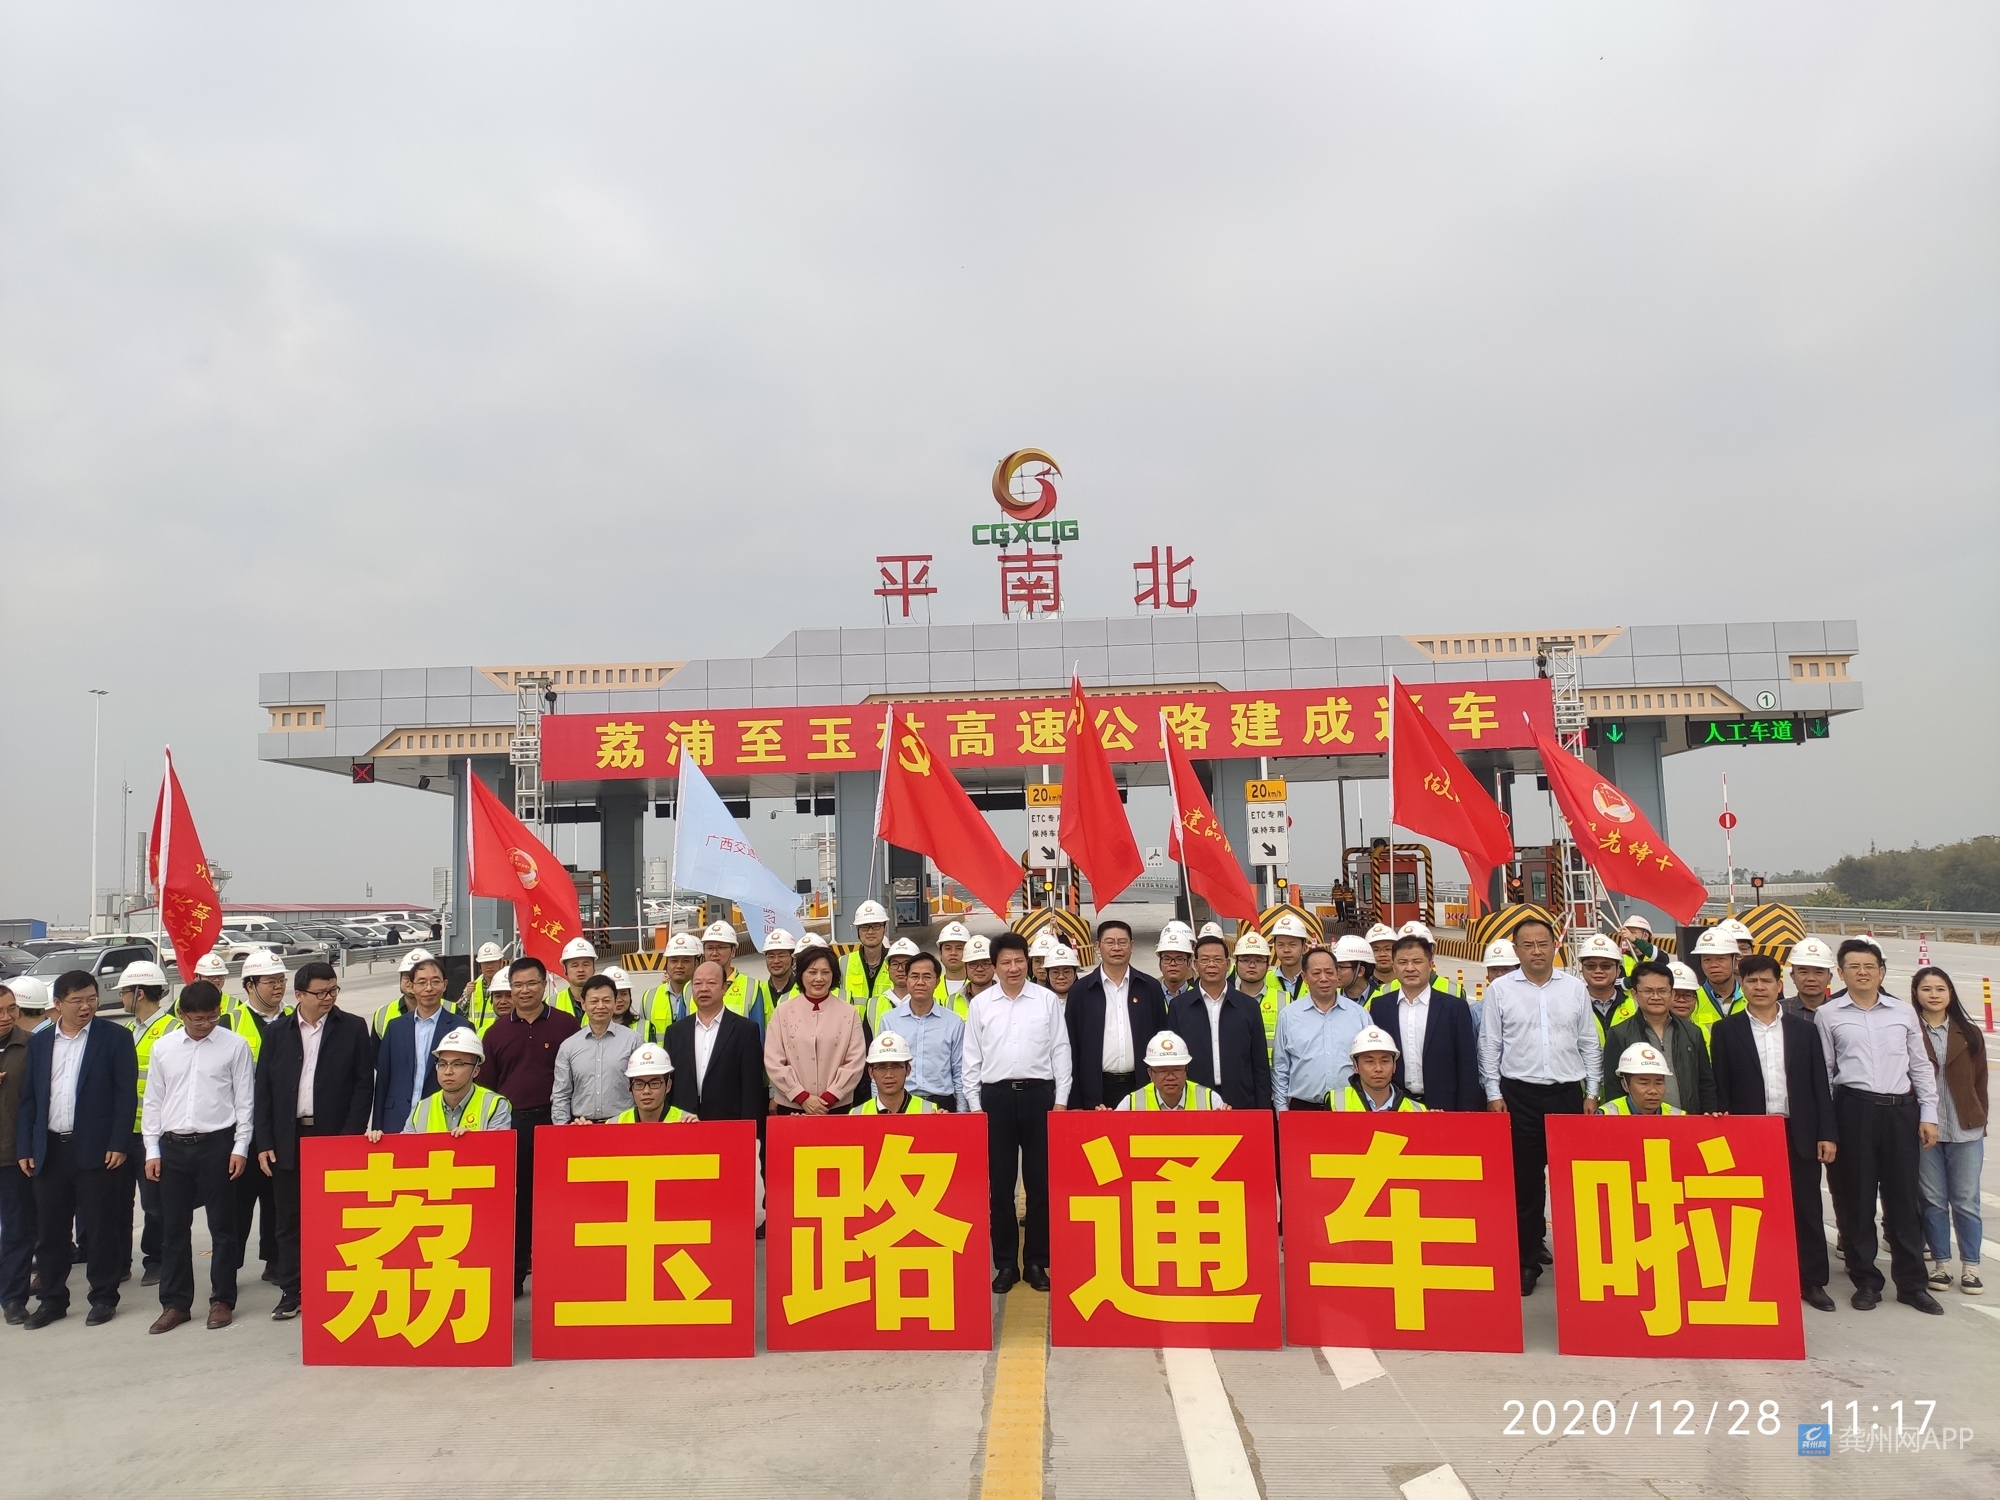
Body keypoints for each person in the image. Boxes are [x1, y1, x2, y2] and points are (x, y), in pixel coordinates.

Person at [1816, 938, 1942, 1314]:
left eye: (1870, 966)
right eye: (1854, 966)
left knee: (1903, 1200)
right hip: (1853, 1110)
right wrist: (1828, 1128)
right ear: (1841, 973)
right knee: (1856, 1201)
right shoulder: (1829, 1014)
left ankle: (1912, 1285)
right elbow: (1825, 1073)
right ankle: (1866, 1281)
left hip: (1900, 1112)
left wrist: (1929, 1114)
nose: (1863, 972)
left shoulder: (1903, 1012)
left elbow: (1920, 1065)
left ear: (1882, 972)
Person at [1478, 916, 1601, 1295]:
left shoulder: (1574, 988)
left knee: (1572, 1185)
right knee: (1526, 1186)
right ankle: (1527, 1262)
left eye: (1543, 943)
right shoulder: (1501, 990)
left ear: (1554, 947)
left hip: (1567, 1096)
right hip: (1519, 1096)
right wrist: (1493, 1093)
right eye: (1528, 945)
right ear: (1517, 950)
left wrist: (1592, 1091)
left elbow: (1588, 1041)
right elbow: (1490, 1044)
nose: (1536, 951)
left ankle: (1584, 1265)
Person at [1711, 952, 1840, 1311]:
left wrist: (1826, 1133)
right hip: (1750, 1134)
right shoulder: (1726, 1031)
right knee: (1753, 1210)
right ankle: (1760, 1277)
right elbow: (1720, 1086)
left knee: (1806, 1208)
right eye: (1751, 981)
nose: (1759, 987)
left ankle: (1812, 1281)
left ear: (1779, 985)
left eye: (1766, 981)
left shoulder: (1804, 1031)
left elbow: (1820, 1085)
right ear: (1742, 985)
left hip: (1796, 1131)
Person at [15, 972, 138, 1328]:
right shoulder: (40, 1043)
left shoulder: (114, 1038)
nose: (86, 1007)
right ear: (57, 1004)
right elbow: (30, 1099)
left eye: (91, 999)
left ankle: (103, 1297)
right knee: (51, 1232)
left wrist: (118, 1142)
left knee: (99, 1228)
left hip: (97, 1150)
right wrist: (27, 1145)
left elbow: (125, 1095)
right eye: (77, 1001)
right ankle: (52, 1300)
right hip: (50, 1149)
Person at [252, 961, 374, 1320]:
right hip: (288, 1137)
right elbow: (264, 1090)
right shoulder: (278, 1033)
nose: (328, 998)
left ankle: (332, 1288)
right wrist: (265, 1141)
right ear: (299, 995)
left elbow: (363, 1086)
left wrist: (348, 1138)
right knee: (288, 1219)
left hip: (333, 1136)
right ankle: (291, 1290)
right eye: (320, 993)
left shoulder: (352, 1028)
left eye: (333, 990)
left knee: (334, 1217)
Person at [139, 980, 253, 1333]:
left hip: (217, 1144)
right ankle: (175, 1304)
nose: (206, 1024)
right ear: (182, 1014)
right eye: (198, 1019)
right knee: (173, 1229)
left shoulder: (234, 1046)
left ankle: (222, 1300)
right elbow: (153, 1101)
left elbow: (245, 1101)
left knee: (223, 1227)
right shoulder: (164, 1048)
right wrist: (152, 1149)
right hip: (172, 1147)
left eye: (212, 1017)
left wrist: (240, 1147)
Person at [963, 931, 1070, 1293]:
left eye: (1019, 961)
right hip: (996, 1099)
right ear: (994, 967)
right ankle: (1006, 1263)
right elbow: (971, 1059)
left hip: (1040, 1096)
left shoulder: (1046, 1000)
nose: (1013, 968)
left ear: (1028, 962)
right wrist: (976, 1107)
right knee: (1001, 1186)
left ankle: (1037, 1261)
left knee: (1040, 1184)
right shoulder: (981, 1005)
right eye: (1005, 962)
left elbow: (1060, 1050)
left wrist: (1060, 1100)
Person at [482, 955, 579, 1295]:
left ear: (544, 985)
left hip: (556, 1122)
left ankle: (561, 1275)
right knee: (518, 1202)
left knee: (558, 1201)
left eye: (531, 983)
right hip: (513, 1124)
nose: (524, 991)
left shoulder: (567, 1026)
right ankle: (515, 1276)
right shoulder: (495, 1033)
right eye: (518, 985)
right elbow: (488, 1088)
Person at [1911, 967, 1985, 1297]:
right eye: (1926, 989)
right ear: (1916, 994)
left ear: (1950, 994)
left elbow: (1980, 1081)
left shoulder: (1969, 1032)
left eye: (1940, 989)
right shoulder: (1908, 1030)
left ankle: (1971, 1267)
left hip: (1965, 1130)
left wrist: (1978, 1116)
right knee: (1933, 1200)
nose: (1934, 995)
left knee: (1966, 1201)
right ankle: (1941, 1264)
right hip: (1925, 1130)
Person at [1065, 918, 1168, 1111]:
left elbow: (1161, 1035)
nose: (1116, 948)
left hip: (1142, 1086)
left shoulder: (1150, 987)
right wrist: (1075, 1100)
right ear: (1098, 946)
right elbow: (1072, 1046)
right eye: (1110, 942)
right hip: (1097, 1090)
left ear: (1131, 946)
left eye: (1122, 942)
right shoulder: (1081, 991)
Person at [1368, 935, 1481, 1109]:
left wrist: (1466, 1110)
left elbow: (1467, 1063)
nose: (1410, 968)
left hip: (1444, 1105)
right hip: (1396, 1103)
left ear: (1430, 964)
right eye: (1402, 962)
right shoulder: (1380, 1006)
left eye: (1417, 962)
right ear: (1394, 966)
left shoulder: (1454, 1008)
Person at [119, 958, 179, 1288]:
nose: (122, 998)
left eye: (124, 992)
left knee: (155, 1203)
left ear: (139, 993)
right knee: (118, 1202)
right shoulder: (127, 1031)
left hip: (156, 1133)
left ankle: (156, 1258)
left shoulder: (174, 1030)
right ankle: (119, 1261)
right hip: (125, 1131)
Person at [1168, 933, 1271, 1112]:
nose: (1211, 965)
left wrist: (1263, 1110)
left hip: (1241, 1099)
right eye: (1205, 960)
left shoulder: (1248, 1006)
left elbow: (1260, 1064)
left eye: (1217, 959)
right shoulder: (1179, 1006)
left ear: (1228, 964)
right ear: (1195, 964)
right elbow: (1174, 1061)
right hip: (1195, 1100)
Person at [1602, 960, 1716, 1115]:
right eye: (1648, 991)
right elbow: (1613, 1086)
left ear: (1672, 994)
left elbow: (1705, 1081)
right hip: (1638, 1122)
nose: (1656, 997)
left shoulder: (1692, 1032)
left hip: (1686, 1119)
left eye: (1662, 991)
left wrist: (1709, 1113)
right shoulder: (1620, 1033)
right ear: (1634, 994)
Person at [764, 947, 866, 1115]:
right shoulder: (783, 1011)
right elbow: (773, 1060)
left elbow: (855, 1061)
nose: (819, 978)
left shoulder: (848, 1013)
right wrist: (801, 1096)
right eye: (812, 972)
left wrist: (830, 1097)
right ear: (801, 974)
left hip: (836, 1106)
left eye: (825, 972)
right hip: (792, 1106)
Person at [663, 960, 768, 1122]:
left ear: (724, 988)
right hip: (683, 1122)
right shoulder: (675, 1032)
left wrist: (750, 1130)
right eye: (698, 983)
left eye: (711, 983)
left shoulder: (745, 1030)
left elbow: (751, 1089)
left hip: (728, 1123)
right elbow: (669, 1084)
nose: (703, 988)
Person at [371, 954, 463, 1135]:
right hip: (396, 1118)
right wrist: (377, 1126)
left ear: (445, 985)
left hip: (441, 1118)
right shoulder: (395, 1027)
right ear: (411, 986)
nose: (429, 988)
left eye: (435, 981)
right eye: (421, 982)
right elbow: (383, 1079)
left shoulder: (460, 1027)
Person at [1272, 946, 1369, 1111]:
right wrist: (1281, 1110)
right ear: (1305, 977)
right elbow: (1281, 1067)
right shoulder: (1289, 1015)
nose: (1324, 978)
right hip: (1303, 1108)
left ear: (1337, 974)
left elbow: (1369, 1060)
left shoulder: (1359, 1014)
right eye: (1316, 973)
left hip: (1350, 1106)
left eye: (1329, 972)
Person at [877, 952, 963, 1110]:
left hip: (941, 1105)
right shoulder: (889, 1020)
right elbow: (879, 1069)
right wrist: (880, 1110)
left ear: (937, 981)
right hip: (901, 1103)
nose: (920, 982)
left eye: (927, 977)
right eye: (914, 976)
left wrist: (961, 1112)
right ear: (907, 980)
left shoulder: (953, 1022)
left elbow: (959, 1071)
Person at [552, 974, 641, 1124]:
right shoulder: (569, 1046)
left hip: (623, 1125)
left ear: (615, 1002)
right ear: (583, 1004)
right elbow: (560, 1094)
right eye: (594, 1001)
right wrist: (563, 1127)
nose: (600, 1006)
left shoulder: (633, 1041)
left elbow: (642, 1088)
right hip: (582, 1126)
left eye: (606, 1000)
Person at [0, 978, 35, 1324]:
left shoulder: (31, 1046)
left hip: (13, 1156)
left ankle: (13, 1298)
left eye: (11, 1009)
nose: (6, 1017)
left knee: (17, 1231)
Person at [397, 1028, 512, 1133]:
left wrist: (473, 1141)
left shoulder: (495, 1105)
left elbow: (499, 1147)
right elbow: (404, 1146)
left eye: (457, 1064)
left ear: (475, 1071)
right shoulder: (422, 1108)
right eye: (442, 1064)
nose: (448, 1071)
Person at [1116, 1031, 1222, 1111]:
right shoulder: (1130, 1104)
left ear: (1186, 1070)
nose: (1170, 1077)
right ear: (1150, 1073)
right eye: (1162, 1071)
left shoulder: (1210, 1100)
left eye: (1177, 1070)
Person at [1330, 1025, 1426, 1112]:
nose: (1378, 1068)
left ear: (1394, 1066)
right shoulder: (1336, 1102)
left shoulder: (1417, 1110)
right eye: (1369, 1061)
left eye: (1384, 1061)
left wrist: (1433, 1120)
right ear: (1355, 1066)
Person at [854, 1031, 940, 1115]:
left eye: (895, 1067)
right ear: (871, 1072)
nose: (889, 1075)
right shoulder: (856, 1115)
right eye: (881, 1067)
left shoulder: (930, 1111)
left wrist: (943, 1121)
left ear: (908, 1069)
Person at [1230, 930, 1279, 1058]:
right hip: (1237, 1068)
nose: (1252, 965)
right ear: (1236, 963)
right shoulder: (1225, 1000)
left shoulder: (1284, 999)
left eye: (1258, 960)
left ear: (1268, 965)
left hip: (1273, 1069)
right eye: (1245, 960)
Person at [615, 1045, 695, 1123]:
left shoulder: (685, 1122)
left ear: (668, 1086)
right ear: (630, 1087)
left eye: (654, 1083)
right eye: (639, 1084)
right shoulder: (615, 1125)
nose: (646, 1091)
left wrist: (697, 1128)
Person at [645, 931, 702, 1039]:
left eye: (686, 961)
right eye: (674, 961)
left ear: (696, 964)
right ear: (666, 964)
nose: (679, 966)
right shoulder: (649, 997)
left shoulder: (705, 995)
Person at [1574, 933, 1626, 1049]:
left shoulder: (1635, 1005)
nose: (1598, 971)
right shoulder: (1572, 1005)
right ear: (1582, 969)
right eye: (1591, 966)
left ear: (1618, 970)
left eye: (1605, 966)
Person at [842, 900, 895, 1012]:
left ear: (885, 928)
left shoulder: (897, 963)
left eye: (876, 926)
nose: (870, 932)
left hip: (886, 1024)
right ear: (858, 931)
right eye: (864, 927)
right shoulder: (842, 964)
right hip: (852, 1023)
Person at [1599, 1044, 1679, 1116]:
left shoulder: (1679, 1117)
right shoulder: (1606, 1115)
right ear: (1625, 1085)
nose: (1653, 1091)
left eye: (1658, 1083)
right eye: (1644, 1083)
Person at [862, 937, 920, 1036]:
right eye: (895, 964)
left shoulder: (930, 1002)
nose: (900, 969)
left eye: (906, 964)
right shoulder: (873, 1004)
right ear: (887, 968)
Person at [371, 948, 432, 1036]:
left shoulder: (450, 1009)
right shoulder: (382, 1014)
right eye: (406, 976)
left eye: (419, 977)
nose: (411, 982)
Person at [1691, 927, 1744, 1020]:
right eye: (1707, 959)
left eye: (1721, 959)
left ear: (1734, 960)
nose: (1714, 965)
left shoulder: (1750, 997)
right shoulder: (1692, 1000)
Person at [1267, 912, 1313, 1010]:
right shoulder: (1265, 980)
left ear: (1304, 948)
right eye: (1280, 945)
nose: (1286, 950)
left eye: (1292, 945)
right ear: (1274, 948)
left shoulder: (1316, 979)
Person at [461, 942, 509, 1032]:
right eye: (485, 963)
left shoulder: (507, 985)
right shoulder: (472, 986)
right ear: (480, 965)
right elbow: (460, 1012)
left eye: (493, 962)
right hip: (473, 1037)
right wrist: (467, 996)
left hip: (495, 1035)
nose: (489, 966)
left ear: (501, 962)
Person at [1784, 937, 1838, 1018]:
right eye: (1803, 972)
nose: (1811, 978)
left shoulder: (1842, 1012)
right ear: (1793, 976)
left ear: (1829, 977)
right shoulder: (1778, 1011)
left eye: (1818, 972)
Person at [548, 937, 596, 1019]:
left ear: (594, 968)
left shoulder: (607, 1002)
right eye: (575, 965)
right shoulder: (551, 1003)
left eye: (586, 964)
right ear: (565, 970)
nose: (581, 969)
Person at [761, 931, 801, 1023]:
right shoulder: (758, 991)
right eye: (771, 956)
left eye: (781, 956)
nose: (776, 961)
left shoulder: (804, 990)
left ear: (793, 959)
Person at [1154, 925, 1195, 1002]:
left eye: (1179, 959)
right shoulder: (1149, 995)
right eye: (1167, 959)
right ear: (1159, 964)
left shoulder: (1198, 996)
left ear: (1189, 964)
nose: (1173, 964)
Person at [1334, 935, 1377, 1003]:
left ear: (1360, 971)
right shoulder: (1329, 997)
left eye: (1340, 967)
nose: (1334, 972)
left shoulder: (1383, 1000)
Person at [936, 921, 973, 1002]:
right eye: (948, 948)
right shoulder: (931, 984)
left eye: (959, 948)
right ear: (940, 953)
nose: (953, 953)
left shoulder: (978, 986)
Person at [960, 935, 996, 1002]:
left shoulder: (1008, 997)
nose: (979, 969)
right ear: (965, 966)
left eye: (985, 963)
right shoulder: (953, 1000)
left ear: (994, 966)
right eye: (973, 964)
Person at [1364, 922, 1398, 991]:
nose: (1382, 954)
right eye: (1376, 950)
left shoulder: (1407, 983)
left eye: (1387, 949)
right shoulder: (1363, 986)